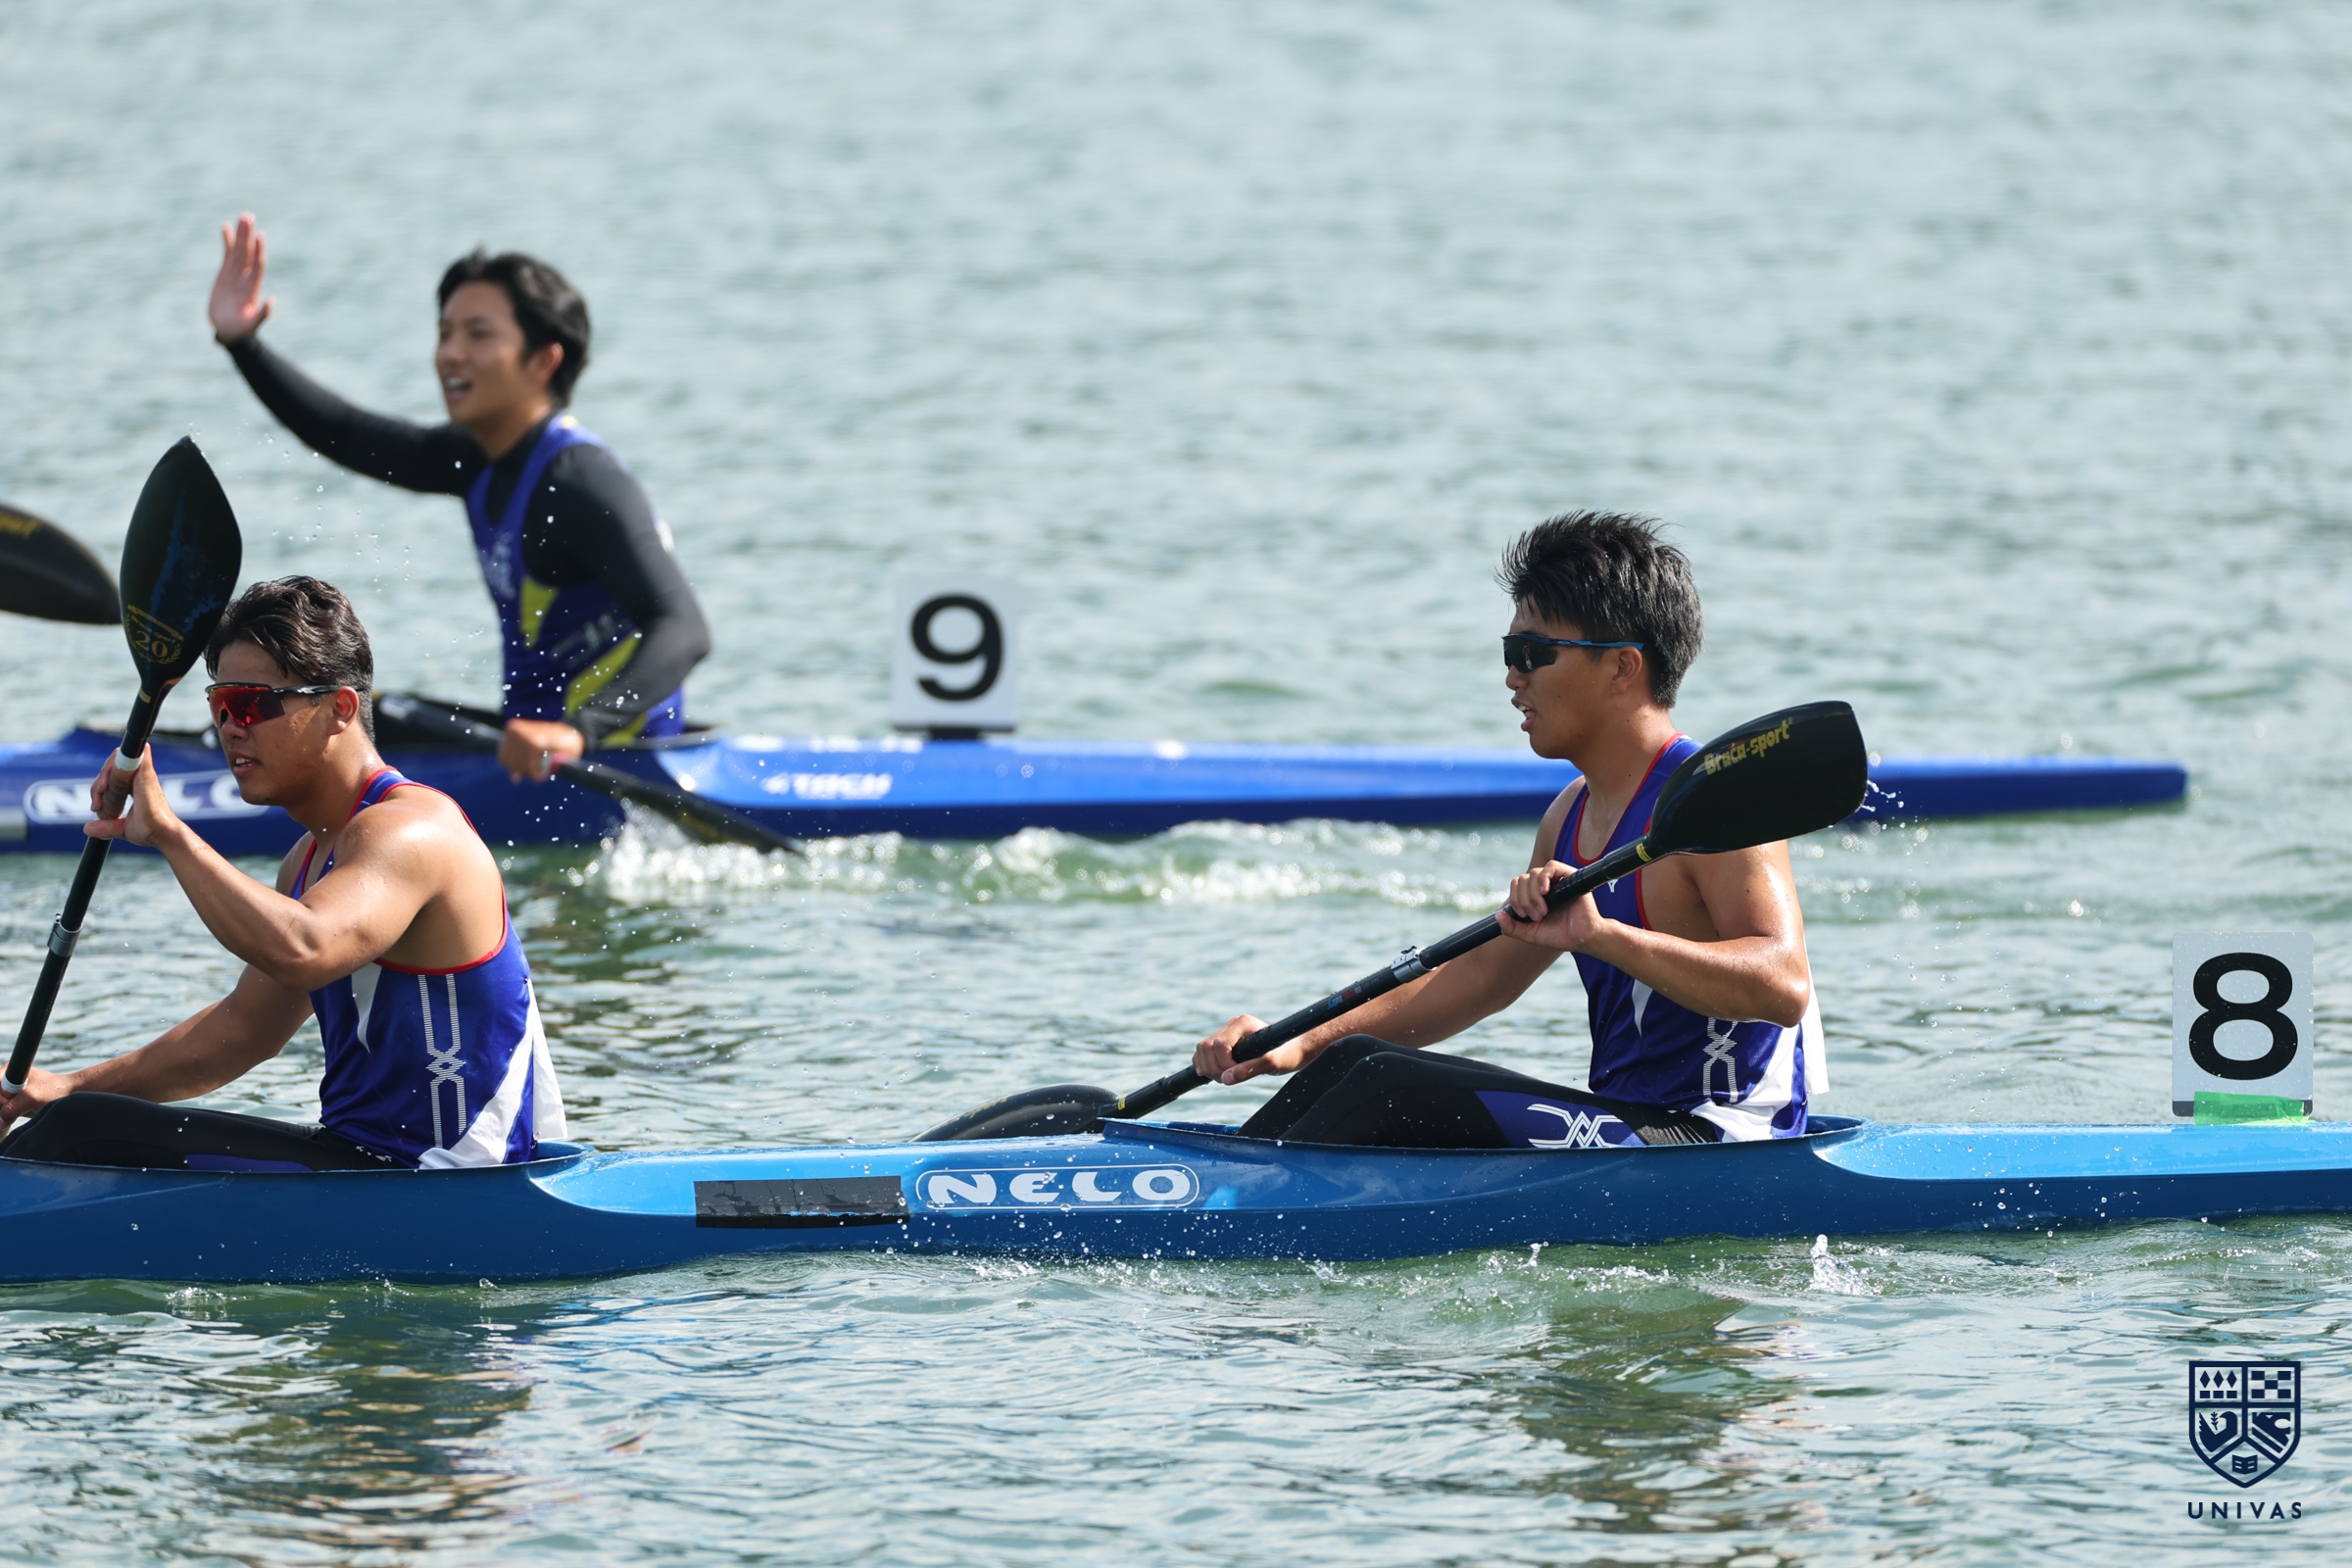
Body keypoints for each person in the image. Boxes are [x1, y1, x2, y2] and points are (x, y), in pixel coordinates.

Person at [1191, 513, 1825, 1149]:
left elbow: (1783, 984)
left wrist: (1603, 937)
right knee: (1351, 1061)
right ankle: (1223, 1174)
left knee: (1385, 1084)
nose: (1512, 677)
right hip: (1625, 1126)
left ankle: (1223, 1194)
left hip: (1725, 1137)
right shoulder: (1568, 815)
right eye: (1509, 652)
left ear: (1621, 667)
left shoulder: (1715, 804)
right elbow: (1481, 978)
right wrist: (1301, 1042)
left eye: (1532, 653)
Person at [0, 577, 564, 1171]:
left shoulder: (410, 830)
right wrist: (66, 1087)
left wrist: (169, 833)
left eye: (253, 704)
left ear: (340, 709)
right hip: (365, 1162)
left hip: (447, 1178)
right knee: (76, 1117)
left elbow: (305, 950)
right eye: (220, 706)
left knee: (80, 1135)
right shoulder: (307, 859)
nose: (230, 727)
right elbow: (245, 1029)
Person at [205, 213, 710, 783]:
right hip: (524, 749)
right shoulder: (478, 461)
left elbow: (683, 626)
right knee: (371, 716)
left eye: (478, 334)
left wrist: (580, 731)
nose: (450, 353)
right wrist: (242, 343)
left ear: (544, 360)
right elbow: (346, 434)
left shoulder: (581, 481)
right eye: (445, 333)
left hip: (607, 760)